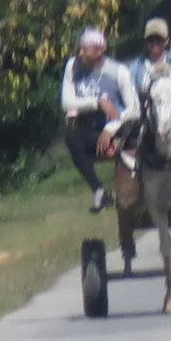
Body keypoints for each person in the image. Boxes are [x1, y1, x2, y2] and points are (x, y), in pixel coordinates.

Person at [58, 28, 137, 212]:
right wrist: (97, 102)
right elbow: (66, 102)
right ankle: (99, 191)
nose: (80, 53)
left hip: (117, 128)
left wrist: (109, 130)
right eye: (80, 48)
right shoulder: (73, 66)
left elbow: (134, 108)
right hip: (90, 128)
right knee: (71, 135)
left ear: (100, 50)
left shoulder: (118, 72)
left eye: (85, 49)